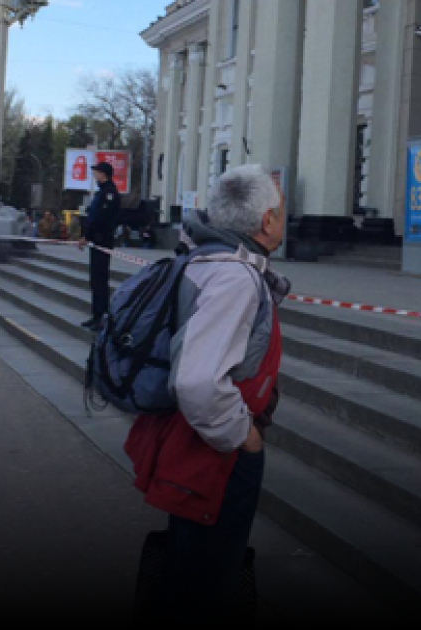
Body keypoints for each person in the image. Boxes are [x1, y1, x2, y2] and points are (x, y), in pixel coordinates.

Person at [124, 164, 288, 624]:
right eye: (280, 209)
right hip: (212, 453)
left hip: (189, 442)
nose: (283, 217)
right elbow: (197, 380)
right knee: (207, 582)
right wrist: (242, 436)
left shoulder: (207, 262)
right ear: (267, 221)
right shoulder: (234, 277)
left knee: (191, 569)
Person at [77, 161, 122, 329]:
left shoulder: (109, 194)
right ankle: (96, 315)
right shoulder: (101, 192)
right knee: (95, 280)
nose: (94, 175)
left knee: (100, 279)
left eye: (96, 172)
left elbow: (101, 219)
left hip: (102, 240)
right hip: (96, 240)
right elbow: (92, 215)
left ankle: (102, 316)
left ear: (103, 174)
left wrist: (88, 235)